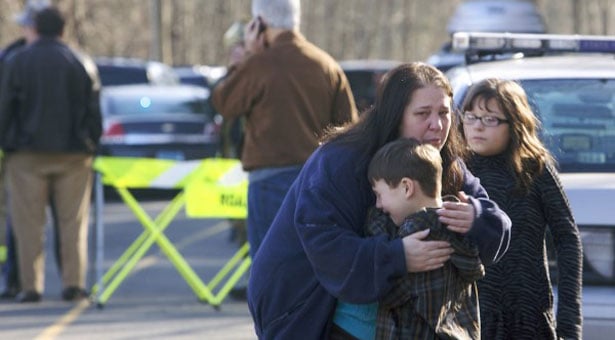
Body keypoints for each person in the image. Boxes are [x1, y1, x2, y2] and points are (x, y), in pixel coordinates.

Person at [247, 62, 511, 339]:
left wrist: (477, 218)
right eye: (423, 113)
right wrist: (398, 256)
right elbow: (324, 243)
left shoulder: (442, 160)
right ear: (395, 116)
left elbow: (499, 225)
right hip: (302, 308)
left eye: (444, 112)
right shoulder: (341, 160)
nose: (438, 125)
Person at [211, 0, 358, 260]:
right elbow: (350, 129)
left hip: (268, 183)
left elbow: (224, 102)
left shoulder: (259, 64)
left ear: (258, 24)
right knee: (312, 265)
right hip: (318, 182)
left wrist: (246, 57)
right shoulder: (326, 65)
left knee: (270, 269)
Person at [458, 78, 583, 339]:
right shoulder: (456, 170)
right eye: (471, 117)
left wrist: (569, 324)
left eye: (490, 119)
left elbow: (568, 239)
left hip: (529, 317)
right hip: (471, 318)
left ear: (515, 125)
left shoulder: (534, 169)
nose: (477, 127)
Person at [331, 138, 484, 339]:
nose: (378, 205)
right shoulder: (456, 226)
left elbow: (388, 292)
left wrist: (382, 246)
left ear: (406, 188)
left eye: (379, 194)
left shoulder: (418, 232)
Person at [0, 6, 102, 303]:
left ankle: (31, 286)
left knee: (28, 224)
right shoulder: (80, 61)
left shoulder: (17, 62)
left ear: (35, 28)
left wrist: (7, 143)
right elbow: (93, 109)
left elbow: (5, 107)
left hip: (26, 155)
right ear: (62, 30)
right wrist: (91, 143)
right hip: (74, 155)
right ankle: (74, 284)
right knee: (74, 223)